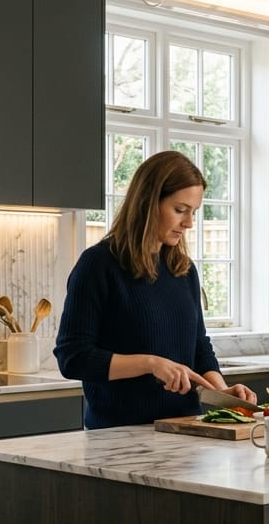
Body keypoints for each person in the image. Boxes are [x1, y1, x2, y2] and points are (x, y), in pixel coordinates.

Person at [54, 150, 257, 429]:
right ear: (148, 204)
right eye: (180, 210)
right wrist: (150, 364)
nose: (188, 223)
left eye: (193, 212)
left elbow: (198, 348)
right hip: (118, 436)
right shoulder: (98, 265)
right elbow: (73, 358)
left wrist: (222, 391)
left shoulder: (183, 269)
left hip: (186, 430)